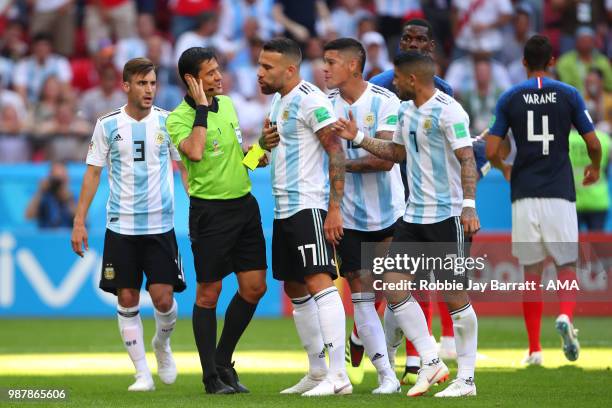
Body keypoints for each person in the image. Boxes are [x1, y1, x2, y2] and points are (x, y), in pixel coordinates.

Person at [334, 51, 480, 398]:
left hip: (446, 216)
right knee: (393, 283)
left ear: (412, 79)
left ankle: (467, 380)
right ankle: (431, 360)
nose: (392, 83)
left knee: (454, 295)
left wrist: (469, 206)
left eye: (397, 78)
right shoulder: (405, 110)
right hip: (414, 216)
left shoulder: (449, 110)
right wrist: (357, 139)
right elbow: (396, 152)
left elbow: (467, 158)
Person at [70, 58, 187, 392]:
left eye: (152, 83)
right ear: (126, 86)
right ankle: (141, 374)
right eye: (142, 83)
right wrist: (79, 221)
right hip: (121, 227)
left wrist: (198, 209)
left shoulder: (168, 122)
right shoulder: (107, 124)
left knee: (164, 299)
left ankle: (162, 346)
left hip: (161, 226)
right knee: (127, 297)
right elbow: (93, 173)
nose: (149, 89)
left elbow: (184, 171)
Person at [486, 35, 602, 365]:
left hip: (524, 192)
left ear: (523, 62)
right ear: (552, 61)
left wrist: (502, 167)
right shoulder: (569, 94)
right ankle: (565, 316)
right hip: (560, 191)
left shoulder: (510, 96)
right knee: (566, 265)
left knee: (531, 273)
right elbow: (593, 143)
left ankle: (535, 349)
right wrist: (594, 167)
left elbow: (493, 149)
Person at [166, 47, 267, 395]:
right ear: (191, 80)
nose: (219, 76)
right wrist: (203, 111)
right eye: (209, 73)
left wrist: (259, 152)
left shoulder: (229, 106)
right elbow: (194, 152)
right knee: (209, 293)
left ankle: (223, 361)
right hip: (209, 213)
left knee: (255, 287)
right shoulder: (177, 118)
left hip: (244, 206)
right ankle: (210, 377)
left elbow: (240, 160)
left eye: (218, 70)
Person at [367, 18, 459, 385]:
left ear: (431, 47)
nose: (412, 43)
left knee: (414, 279)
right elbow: (385, 147)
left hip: (426, 201)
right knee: (382, 279)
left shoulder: (444, 92)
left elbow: (454, 146)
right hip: (387, 196)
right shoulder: (378, 86)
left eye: (420, 39)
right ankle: (375, 342)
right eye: (406, 38)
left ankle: (414, 358)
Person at [257, 37, 350, 396]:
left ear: (290, 69)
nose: (260, 72)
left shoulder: (310, 99)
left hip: (308, 205)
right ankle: (316, 371)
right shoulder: (278, 104)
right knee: (295, 286)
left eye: (267, 67)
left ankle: (338, 375)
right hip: (283, 208)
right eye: (260, 65)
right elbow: (259, 162)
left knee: (318, 281)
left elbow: (335, 151)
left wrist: (334, 208)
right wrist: (257, 151)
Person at [322, 37, 402, 394]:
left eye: (331, 62)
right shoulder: (321, 105)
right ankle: (387, 376)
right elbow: (273, 150)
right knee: (360, 294)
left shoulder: (385, 102)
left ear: (353, 65)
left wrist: (342, 161)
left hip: (390, 213)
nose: (324, 68)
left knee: (395, 290)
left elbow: (386, 159)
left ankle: (418, 358)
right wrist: (254, 157)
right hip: (348, 217)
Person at [570, 128, 610, 231]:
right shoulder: (604, 138)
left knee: (574, 242)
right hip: (598, 200)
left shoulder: (567, 139)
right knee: (597, 244)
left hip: (574, 201)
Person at [25, 161, 75, 228]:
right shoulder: (44, 196)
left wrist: (68, 199)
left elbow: (84, 220)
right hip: (46, 236)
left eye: (61, 179)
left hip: (66, 236)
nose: (58, 183)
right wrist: (40, 191)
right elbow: (29, 216)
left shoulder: (72, 196)